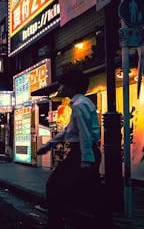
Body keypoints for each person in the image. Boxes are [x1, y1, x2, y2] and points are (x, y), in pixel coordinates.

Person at [36, 69, 107, 228]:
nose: (59, 88)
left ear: (72, 87)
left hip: (81, 152)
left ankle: (56, 222)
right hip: (85, 152)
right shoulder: (82, 103)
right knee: (89, 190)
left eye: (62, 85)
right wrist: (49, 145)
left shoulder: (79, 105)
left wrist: (86, 158)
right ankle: (97, 221)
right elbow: (69, 130)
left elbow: (84, 133)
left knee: (55, 185)